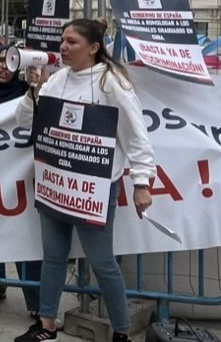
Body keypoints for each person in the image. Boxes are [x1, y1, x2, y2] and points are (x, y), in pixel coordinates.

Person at [13, 19, 154, 342]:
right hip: (55, 185)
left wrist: (142, 183)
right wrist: (34, 91)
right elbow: (25, 120)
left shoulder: (112, 83)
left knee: (103, 263)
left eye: (72, 42)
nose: (63, 47)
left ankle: (121, 332)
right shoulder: (57, 79)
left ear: (93, 48)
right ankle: (47, 324)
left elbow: (136, 136)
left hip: (94, 189)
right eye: (62, 40)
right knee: (53, 257)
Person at [0, 46, 40, 310]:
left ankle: (36, 301)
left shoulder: (28, 92)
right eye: (0, 60)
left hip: (22, 178)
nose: (4, 66)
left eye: (11, 62)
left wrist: (37, 88)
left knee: (25, 237)